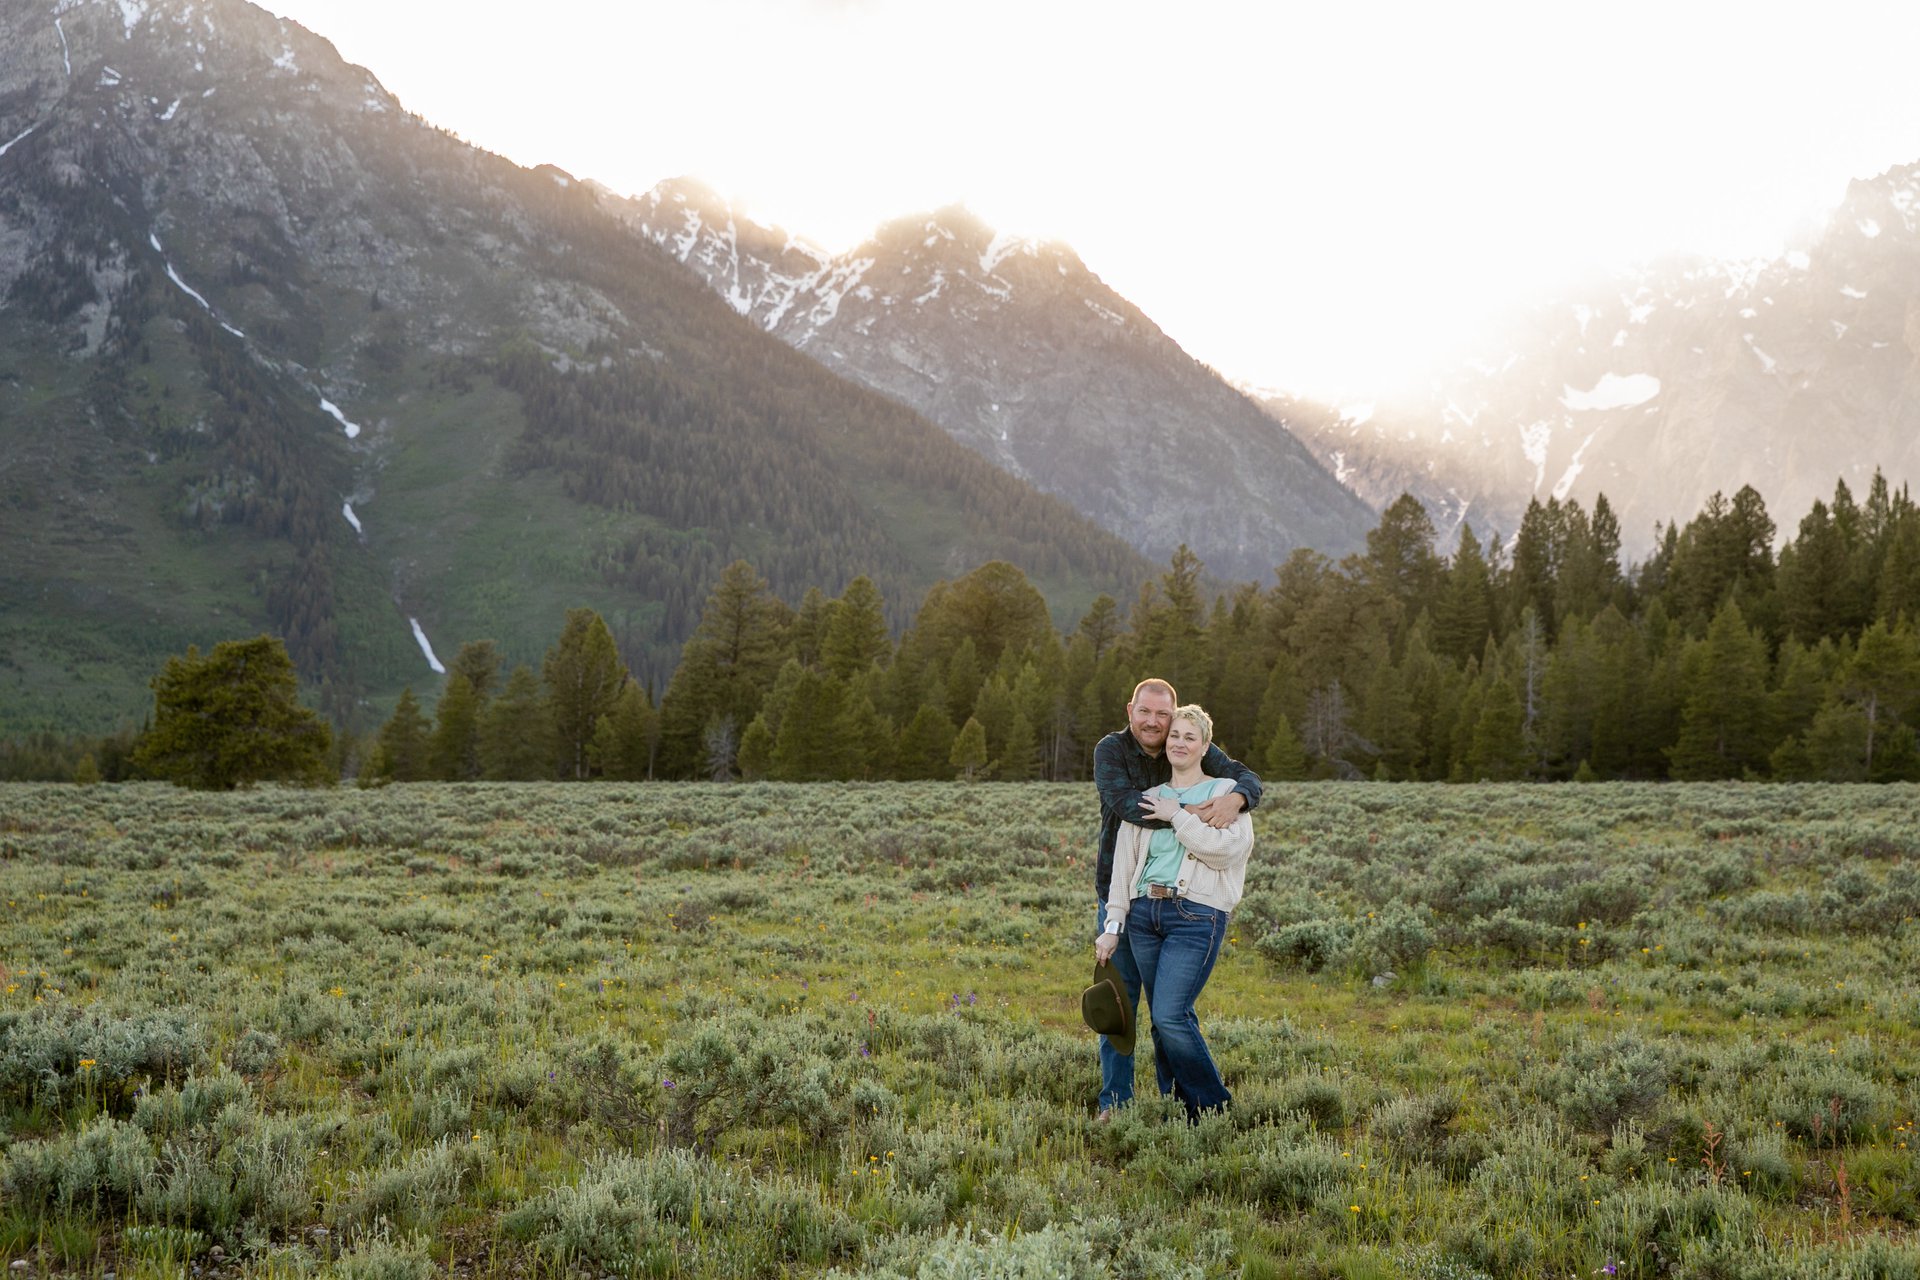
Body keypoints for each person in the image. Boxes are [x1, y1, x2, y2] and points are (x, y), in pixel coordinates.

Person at [1092, 679, 1260, 1116]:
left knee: (1169, 1012)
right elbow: (1129, 813)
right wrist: (1187, 814)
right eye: (1145, 712)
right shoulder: (1114, 754)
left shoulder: (1219, 787)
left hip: (1192, 912)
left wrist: (1240, 797)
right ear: (1130, 710)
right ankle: (1118, 1101)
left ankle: (1200, 1105)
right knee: (1120, 1004)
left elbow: (1245, 791)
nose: (1155, 723)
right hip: (1133, 903)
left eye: (1165, 718)